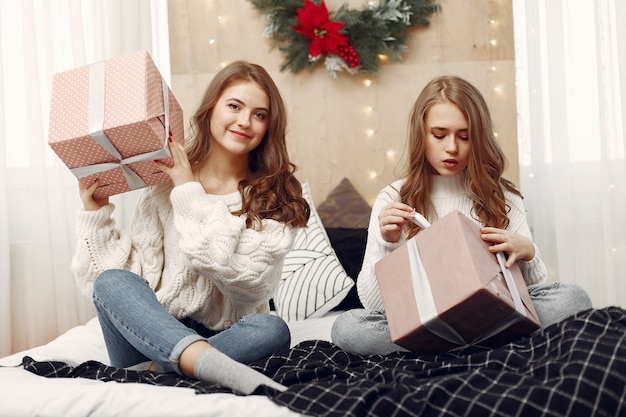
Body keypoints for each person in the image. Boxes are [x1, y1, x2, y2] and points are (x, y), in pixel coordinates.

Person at [71, 61, 310, 394]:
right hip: (150, 335)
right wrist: (96, 215)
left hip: (228, 338)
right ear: (210, 110)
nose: (244, 121)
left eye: (259, 114)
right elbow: (132, 277)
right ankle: (199, 366)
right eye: (234, 106)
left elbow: (250, 286)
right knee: (112, 282)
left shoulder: (274, 195)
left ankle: (160, 372)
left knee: (271, 329)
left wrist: (189, 193)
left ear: (270, 126)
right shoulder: (162, 187)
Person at [331, 75, 592, 356]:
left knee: (572, 298)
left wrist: (528, 252)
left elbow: (528, 299)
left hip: (492, 317)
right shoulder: (392, 199)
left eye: (464, 136)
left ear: (477, 138)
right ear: (421, 134)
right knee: (347, 327)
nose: (452, 147)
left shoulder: (504, 196)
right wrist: (388, 243)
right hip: (429, 323)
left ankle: (446, 346)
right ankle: (478, 344)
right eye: (439, 135)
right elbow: (374, 307)